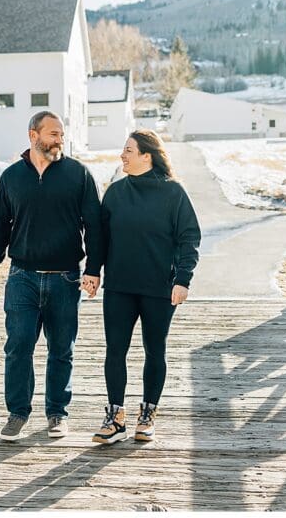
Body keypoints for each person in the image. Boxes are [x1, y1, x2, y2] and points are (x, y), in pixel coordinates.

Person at [0, 111, 103, 441]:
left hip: (65, 278)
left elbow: (94, 225)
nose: (59, 140)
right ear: (33, 135)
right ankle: (17, 412)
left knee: (61, 349)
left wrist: (94, 269)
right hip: (22, 277)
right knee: (18, 346)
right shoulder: (12, 177)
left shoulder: (78, 174)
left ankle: (57, 413)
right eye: (53, 133)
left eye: (61, 134)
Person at [85, 130, 201, 444]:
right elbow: (99, 239)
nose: (122, 156)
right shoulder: (115, 192)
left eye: (128, 150)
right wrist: (93, 272)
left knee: (155, 350)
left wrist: (183, 279)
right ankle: (115, 417)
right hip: (120, 286)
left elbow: (189, 238)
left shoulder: (173, 193)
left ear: (146, 155)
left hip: (159, 288)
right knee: (115, 350)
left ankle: (147, 415)